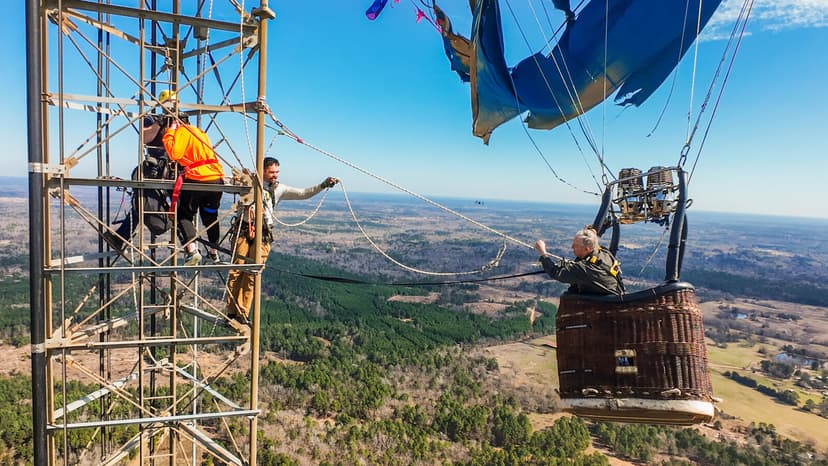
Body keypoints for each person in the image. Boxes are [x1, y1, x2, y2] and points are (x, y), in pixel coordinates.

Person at [225, 157, 339, 322]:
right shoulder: (247, 183)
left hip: (263, 233)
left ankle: (242, 312)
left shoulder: (278, 189)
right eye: (271, 172)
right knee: (236, 270)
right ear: (262, 170)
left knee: (252, 274)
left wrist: (323, 185)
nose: (275, 175)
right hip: (243, 229)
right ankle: (231, 311)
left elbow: (303, 193)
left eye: (277, 172)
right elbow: (226, 183)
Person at [103, 115, 173, 254]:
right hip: (155, 169)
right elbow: (145, 138)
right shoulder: (152, 120)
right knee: (142, 203)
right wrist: (159, 123)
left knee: (179, 206)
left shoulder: (180, 121)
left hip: (172, 169)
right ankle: (190, 245)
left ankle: (189, 244)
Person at [162, 115, 226, 265]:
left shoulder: (182, 130)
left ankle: (192, 251)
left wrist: (170, 133)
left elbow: (174, 153)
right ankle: (214, 252)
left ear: (175, 123)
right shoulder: (200, 132)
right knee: (210, 215)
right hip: (216, 179)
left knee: (183, 215)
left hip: (197, 178)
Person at [534, 226, 624, 296]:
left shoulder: (585, 268)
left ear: (587, 249)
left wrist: (543, 253)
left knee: (568, 295)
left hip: (603, 303)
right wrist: (591, 234)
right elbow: (594, 243)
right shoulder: (604, 252)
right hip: (616, 293)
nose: (572, 247)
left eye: (576, 245)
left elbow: (556, 272)